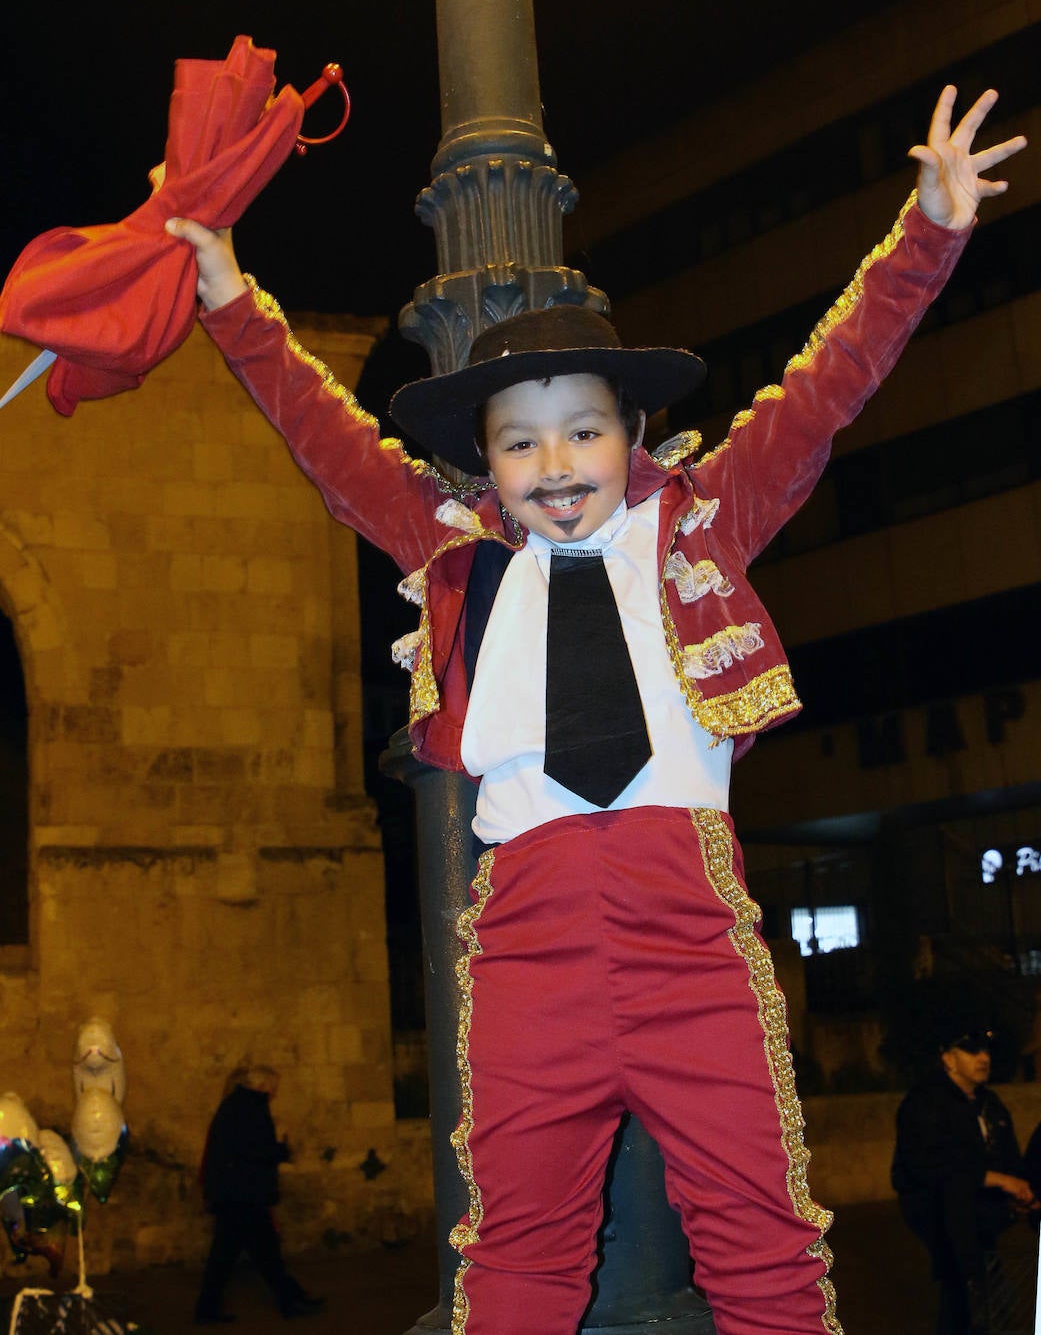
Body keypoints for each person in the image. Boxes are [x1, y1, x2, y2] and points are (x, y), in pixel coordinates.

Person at [167, 87, 1025, 1335]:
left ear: (635, 435)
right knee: (514, 1259)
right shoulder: (450, 546)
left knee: (768, 1251)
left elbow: (824, 392)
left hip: (693, 926)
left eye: (583, 432)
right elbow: (329, 441)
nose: (556, 467)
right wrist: (233, 305)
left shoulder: (705, 521)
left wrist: (929, 232)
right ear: (487, 464)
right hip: (527, 938)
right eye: (521, 445)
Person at [891, 1027, 1035, 1334]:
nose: (983, 1058)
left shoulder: (989, 1102)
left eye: (985, 1050)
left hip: (980, 1214)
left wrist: (1022, 1188)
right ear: (948, 1059)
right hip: (940, 1211)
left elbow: (1008, 1154)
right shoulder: (925, 1102)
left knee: (979, 1290)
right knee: (962, 1287)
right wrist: (994, 1179)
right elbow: (925, 1165)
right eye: (972, 1050)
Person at [194, 1066, 324, 1324]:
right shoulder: (251, 1108)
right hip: (243, 1195)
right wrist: (282, 1151)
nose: (275, 1093)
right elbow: (254, 1150)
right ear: (264, 1086)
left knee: (254, 1254)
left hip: (236, 1193)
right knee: (250, 1254)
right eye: (274, 1087)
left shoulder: (236, 1105)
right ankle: (289, 1301)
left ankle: (291, 1299)